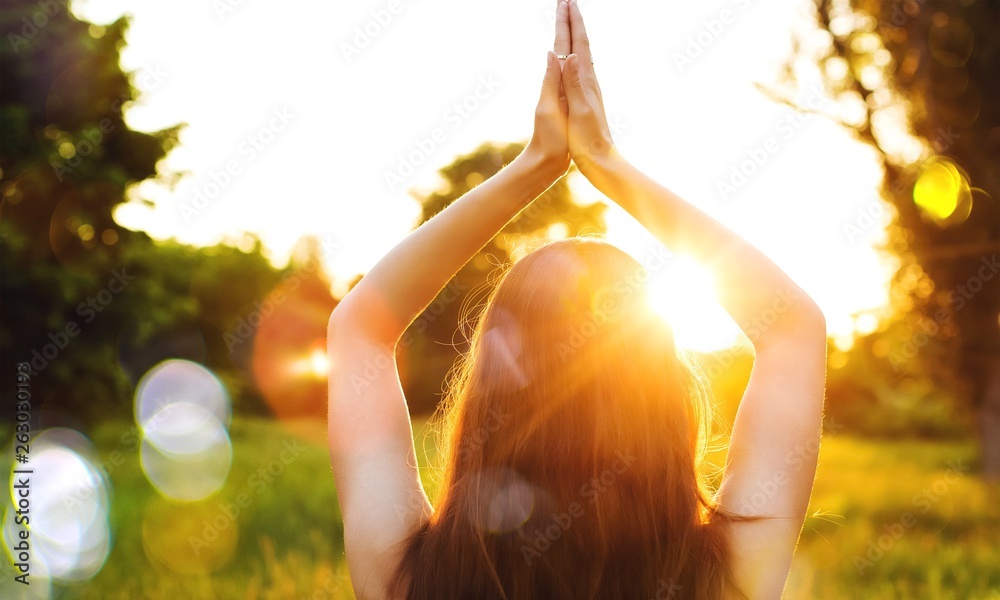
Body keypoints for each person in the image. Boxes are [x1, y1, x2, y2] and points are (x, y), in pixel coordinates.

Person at [327, 1, 827, 598]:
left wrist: (534, 165)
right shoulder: (725, 576)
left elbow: (360, 328)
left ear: (491, 392)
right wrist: (606, 162)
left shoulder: (409, 577)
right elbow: (792, 326)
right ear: (662, 397)